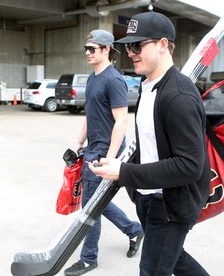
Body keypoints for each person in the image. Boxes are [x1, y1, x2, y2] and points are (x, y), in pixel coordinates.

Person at [89, 12, 211, 276]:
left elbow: (190, 165)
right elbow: (149, 144)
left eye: (138, 45)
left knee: (152, 270)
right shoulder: (148, 86)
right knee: (175, 258)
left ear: (163, 45)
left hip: (170, 205)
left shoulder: (178, 95)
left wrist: (125, 173)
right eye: (127, 46)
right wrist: (122, 167)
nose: (130, 52)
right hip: (148, 197)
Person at [64, 29, 144, 276]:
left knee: (90, 208)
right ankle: (133, 230)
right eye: (86, 48)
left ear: (107, 49)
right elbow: (90, 114)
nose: (88, 52)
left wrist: (110, 157)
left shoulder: (113, 80)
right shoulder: (92, 78)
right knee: (95, 201)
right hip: (92, 149)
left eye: (93, 48)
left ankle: (88, 259)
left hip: (105, 152)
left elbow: (121, 121)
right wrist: (78, 142)